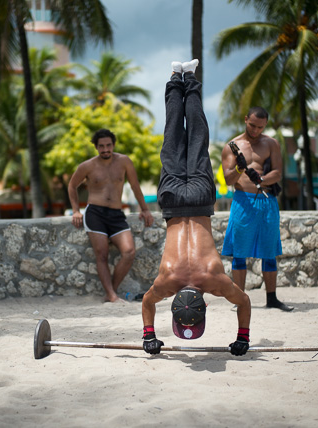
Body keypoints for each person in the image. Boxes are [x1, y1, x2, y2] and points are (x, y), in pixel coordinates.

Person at [141, 59, 251, 357]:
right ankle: (176, 77)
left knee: (199, 136)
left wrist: (244, 337)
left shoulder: (214, 281)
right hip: (174, 202)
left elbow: (244, 303)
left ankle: (189, 76)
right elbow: (148, 304)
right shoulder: (168, 282)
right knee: (173, 135)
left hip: (200, 200)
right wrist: (148, 334)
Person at [68, 128, 155, 303]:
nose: (105, 149)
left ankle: (111, 292)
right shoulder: (87, 166)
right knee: (102, 254)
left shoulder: (124, 162)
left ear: (113, 145)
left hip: (116, 213)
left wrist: (144, 209)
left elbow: (135, 186)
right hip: (95, 213)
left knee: (129, 251)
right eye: (101, 146)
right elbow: (72, 186)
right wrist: (76, 210)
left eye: (108, 145)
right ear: (96, 147)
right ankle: (112, 295)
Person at [220, 106, 293, 312]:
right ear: (245, 120)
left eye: (260, 127)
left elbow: (278, 172)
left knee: (269, 251)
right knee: (239, 252)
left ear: (265, 125)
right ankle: (239, 298)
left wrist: (261, 178)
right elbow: (227, 179)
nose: (255, 130)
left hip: (266, 199)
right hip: (243, 200)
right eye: (252, 125)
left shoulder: (271, 143)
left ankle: (272, 299)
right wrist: (239, 169)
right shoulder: (232, 146)